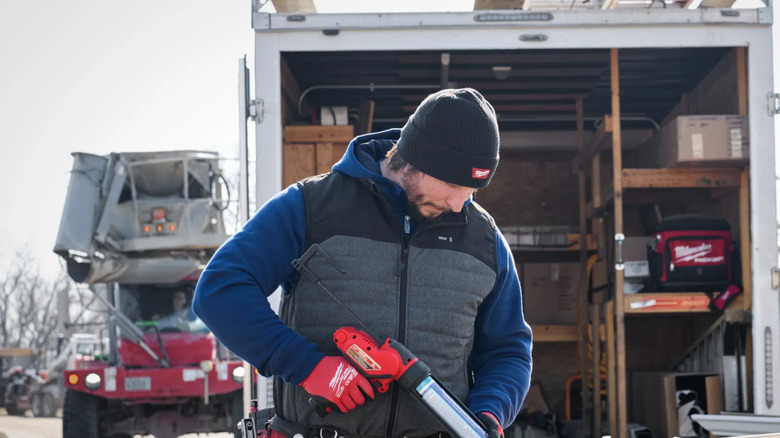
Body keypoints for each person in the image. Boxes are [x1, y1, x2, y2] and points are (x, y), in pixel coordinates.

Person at [193, 88, 533, 438]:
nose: (459, 204)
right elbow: (220, 291)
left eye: (472, 191)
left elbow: (508, 350)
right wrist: (307, 366)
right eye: (451, 183)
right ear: (414, 158)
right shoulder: (310, 207)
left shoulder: (485, 240)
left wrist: (488, 415)